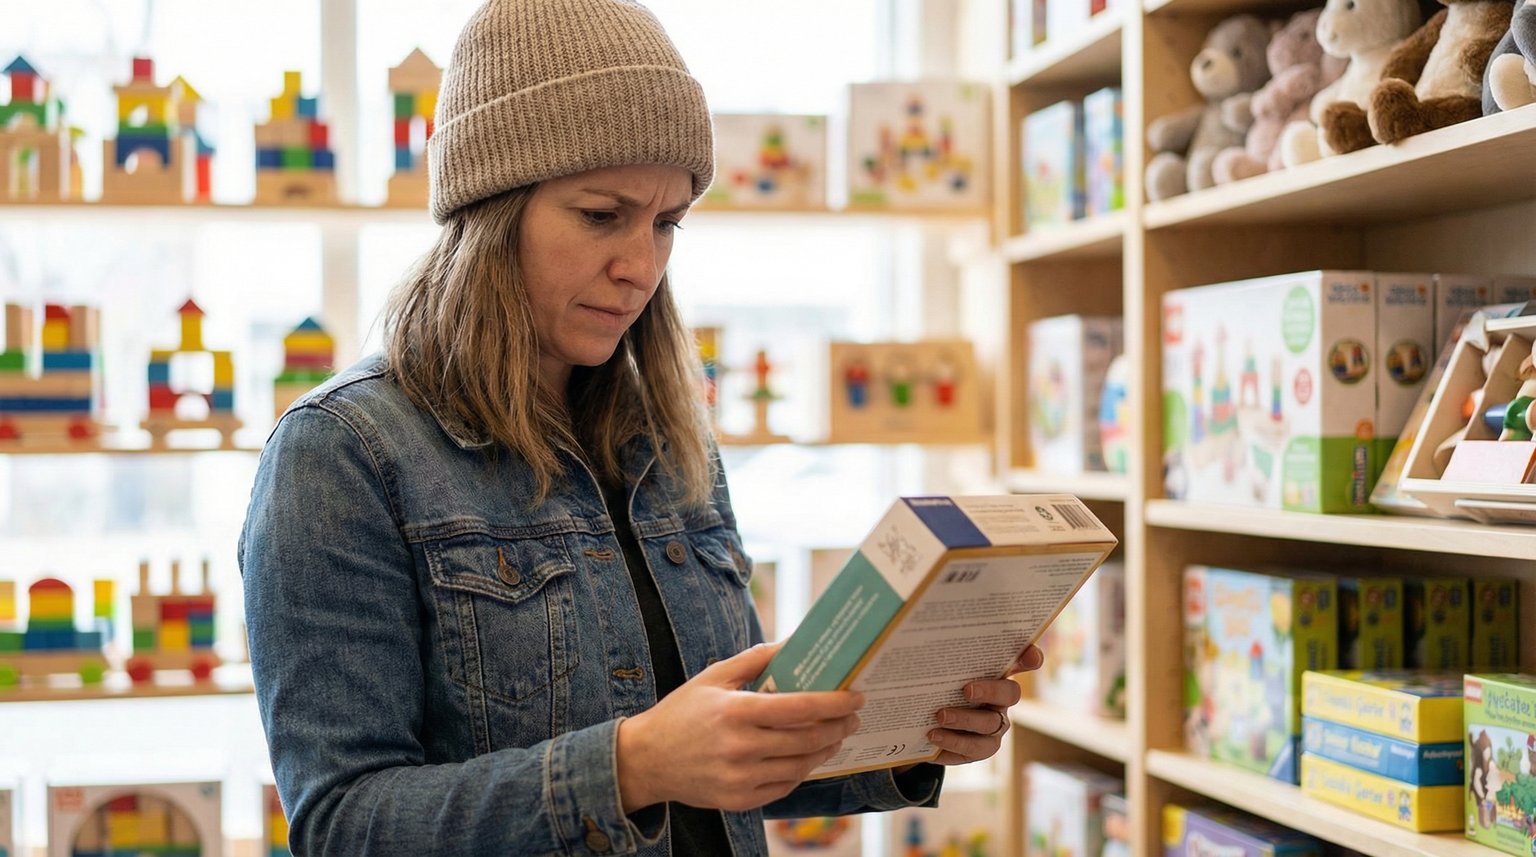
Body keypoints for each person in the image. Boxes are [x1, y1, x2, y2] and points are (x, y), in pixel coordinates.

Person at [239, 1, 1043, 854]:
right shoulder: (342, 454)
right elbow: (342, 824)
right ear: (489, 209)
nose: (640, 266)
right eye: (600, 214)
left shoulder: (665, 439)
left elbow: (721, 771)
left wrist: (911, 731)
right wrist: (629, 766)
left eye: (666, 223)